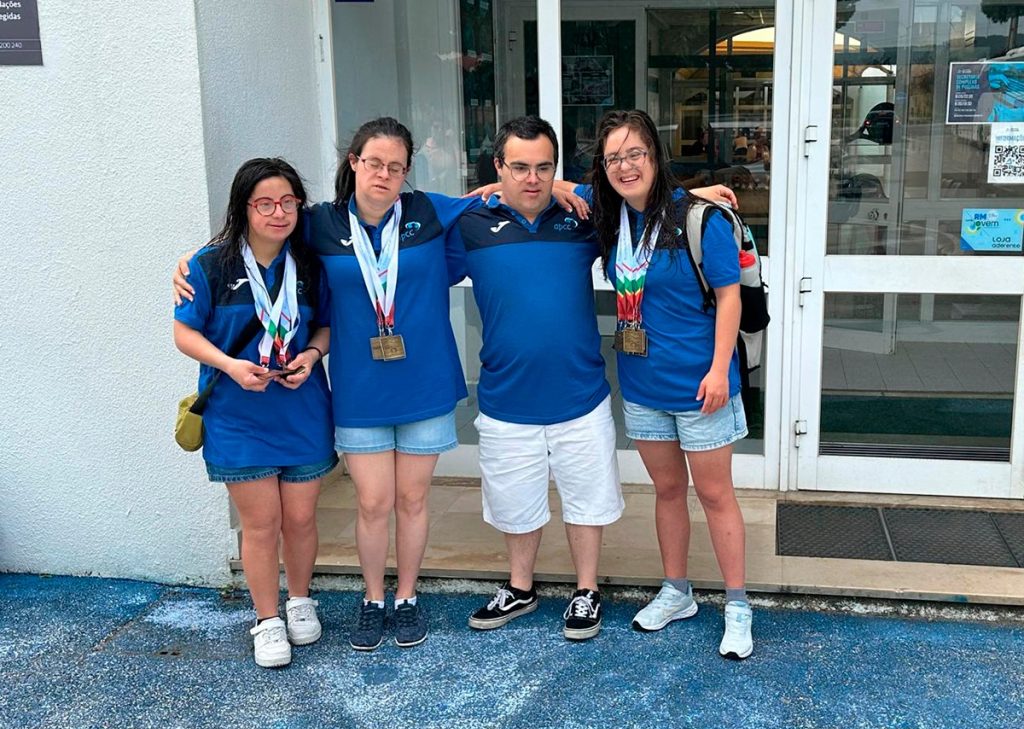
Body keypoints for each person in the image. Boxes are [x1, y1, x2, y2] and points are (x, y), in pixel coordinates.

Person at [174, 118, 586, 653]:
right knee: (372, 502)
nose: (383, 175)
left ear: (407, 170)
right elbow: (257, 231)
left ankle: (407, 596)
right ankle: (372, 599)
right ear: (354, 163)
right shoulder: (319, 223)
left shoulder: (428, 212)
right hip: (360, 389)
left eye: (396, 166)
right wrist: (191, 262)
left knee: (412, 501)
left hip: (425, 385)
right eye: (373, 163)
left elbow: (502, 190)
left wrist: (560, 186)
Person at [457, 116, 739, 642]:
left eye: (544, 167)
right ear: (499, 167)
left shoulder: (584, 217)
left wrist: (691, 193)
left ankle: (589, 591)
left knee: (591, 498)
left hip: (586, 392)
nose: (533, 178)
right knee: (517, 502)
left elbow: (635, 194)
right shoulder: (470, 221)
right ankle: (520, 587)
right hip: (511, 394)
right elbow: (409, 225)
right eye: (519, 167)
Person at [586, 109, 753, 659]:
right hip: (643, 387)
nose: (625, 166)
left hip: (703, 385)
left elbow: (729, 298)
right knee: (667, 491)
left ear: (656, 155)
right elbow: (555, 189)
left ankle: (737, 604)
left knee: (715, 494)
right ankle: (677, 591)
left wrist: (720, 370)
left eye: (635, 153)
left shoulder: (703, 221)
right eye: (613, 158)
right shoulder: (613, 220)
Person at [173, 158, 336, 668]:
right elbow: (184, 333)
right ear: (243, 208)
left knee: (301, 518)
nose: (278, 213)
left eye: (288, 202)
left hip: (301, 410)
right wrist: (229, 365)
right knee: (261, 524)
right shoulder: (209, 267)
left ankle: (300, 600)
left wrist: (311, 356)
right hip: (237, 415)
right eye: (265, 203)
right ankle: (267, 620)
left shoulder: (309, 266)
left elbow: (324, 327)